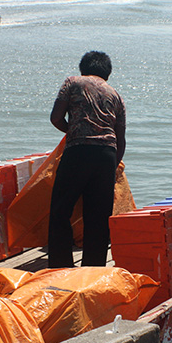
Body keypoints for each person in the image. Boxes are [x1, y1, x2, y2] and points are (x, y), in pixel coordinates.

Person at [48, 51, 126, 268]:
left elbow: (55, 118)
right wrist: (113, 166)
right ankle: (93, 269)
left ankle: (61, 265)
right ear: (107, 74)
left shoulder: (73, 82)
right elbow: (120, 138)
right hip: (106, 156)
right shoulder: (115, 95)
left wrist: (72, 131)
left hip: (78, 151)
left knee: (61, 210)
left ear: (82, 68)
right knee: (98, 217)